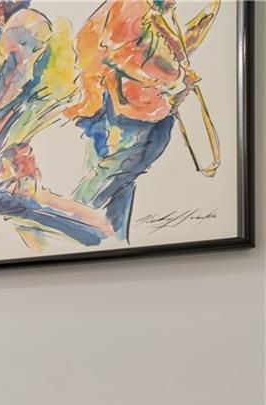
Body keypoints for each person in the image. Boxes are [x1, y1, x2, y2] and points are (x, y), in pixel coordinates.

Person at [0, 0, 115, 246]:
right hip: (38, 107)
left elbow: (12, 81)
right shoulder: (33, 21)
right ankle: (72, 235)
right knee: (21, 190)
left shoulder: (17, 27)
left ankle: (93, 231)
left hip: (30, 107)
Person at [67, 0, 221, 239]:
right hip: (126, 108)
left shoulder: (159, 10)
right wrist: (177, 77)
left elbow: (173, 48)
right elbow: (126, 53)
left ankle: (111, 241)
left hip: (148, 106)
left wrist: (204, 20)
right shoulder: (131, 5)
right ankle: (75, 222)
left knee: (123, 180)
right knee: (112, 176)